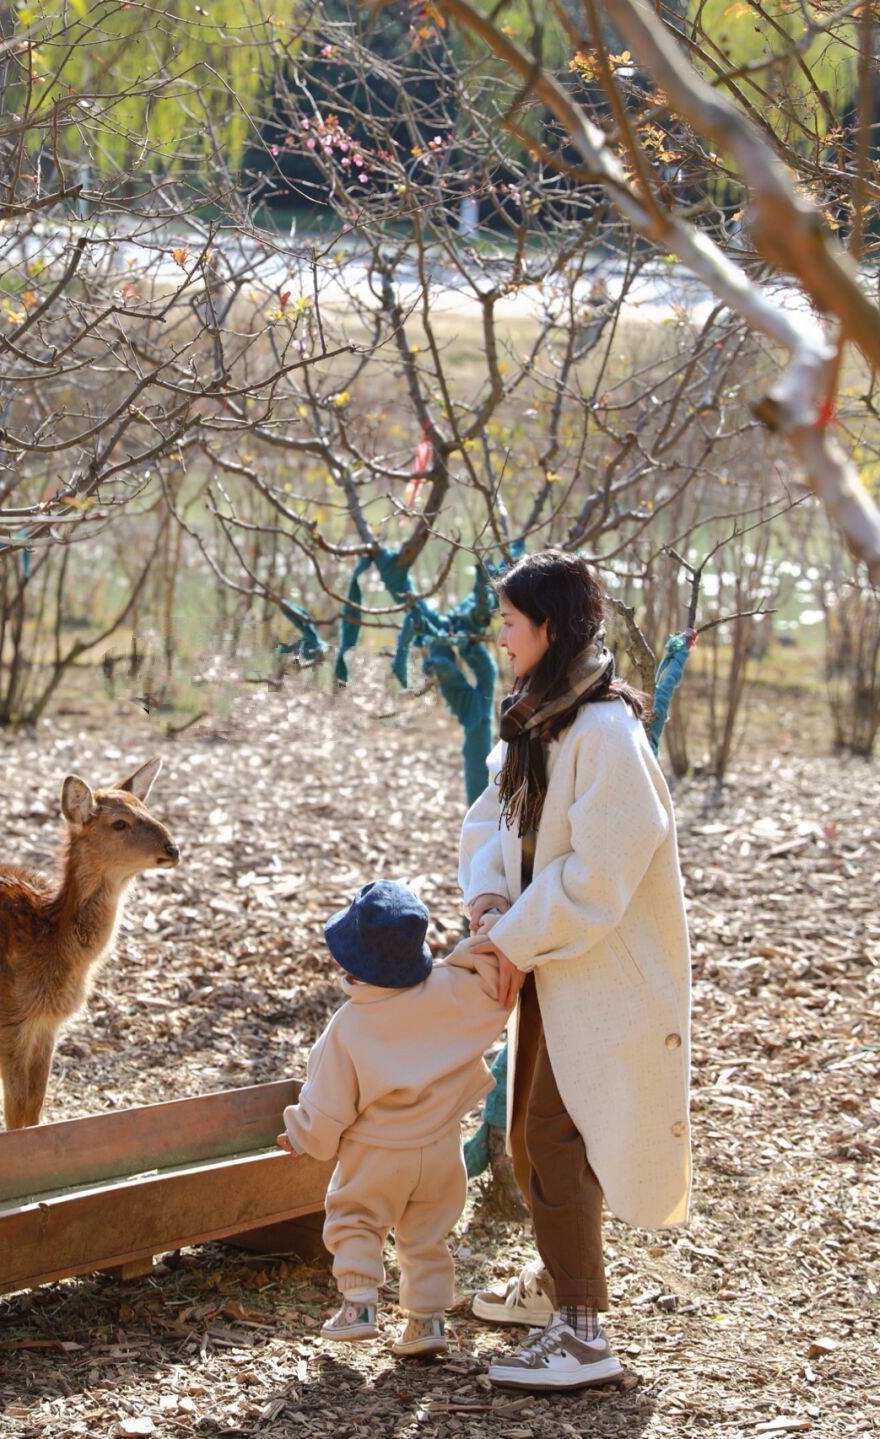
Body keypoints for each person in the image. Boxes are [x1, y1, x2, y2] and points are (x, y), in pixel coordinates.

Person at [455, 547, 692, 1392]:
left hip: (599, 967)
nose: (500, 637)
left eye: (510, 623)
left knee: (557, 1135)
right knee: (528, 1131)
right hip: (550, 957)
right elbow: (492, 818)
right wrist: (488, 908)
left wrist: (511, 939)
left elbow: (597, 876)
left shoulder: (605, 732)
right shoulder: (537, 715)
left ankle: (584, 1333)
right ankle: (560, 1288)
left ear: (548, 628)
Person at [277, 879, 507, 1357]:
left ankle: (359, 1306)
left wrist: (302, 1135)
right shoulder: (448, 989)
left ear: (349, 962)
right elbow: (489, 978)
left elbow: (326, 1103)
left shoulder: (349, 1025)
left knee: (356, 1219)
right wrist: (490, 934)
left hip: (377, 1154)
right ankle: (427, 1323)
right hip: (443, 1149)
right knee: (427, 1234)